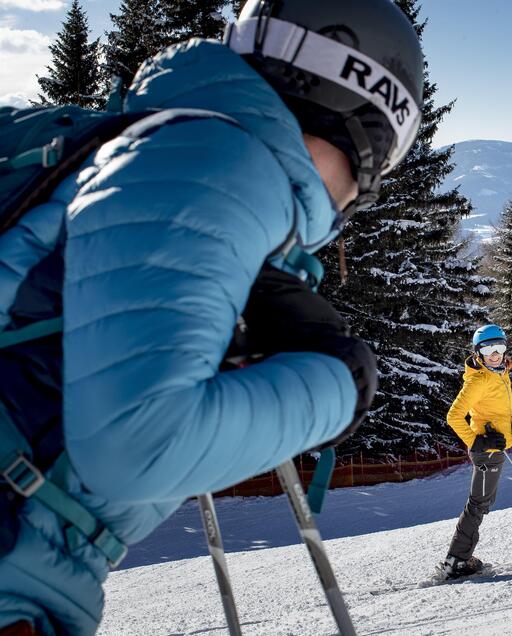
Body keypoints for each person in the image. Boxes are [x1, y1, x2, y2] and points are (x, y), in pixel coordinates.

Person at [0, 1, 424, 634]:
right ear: (359, 122)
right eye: (382, 163)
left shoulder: (159, 150)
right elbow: (136, 445)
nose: (362, 195)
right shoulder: (222, 157)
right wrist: (343, 384)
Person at [441, 324, 512, 579]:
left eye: (499, 347)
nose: (495, 354)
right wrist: (476, 442)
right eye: (488, 349)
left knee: (483, 502)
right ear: (478, 353)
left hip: (496, 447)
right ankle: (457, 560)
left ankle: (459, 556)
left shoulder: (501, 373)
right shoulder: (479, 380)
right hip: (485, 451)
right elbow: (453, 416)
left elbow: (500, 411)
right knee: (478, 504)